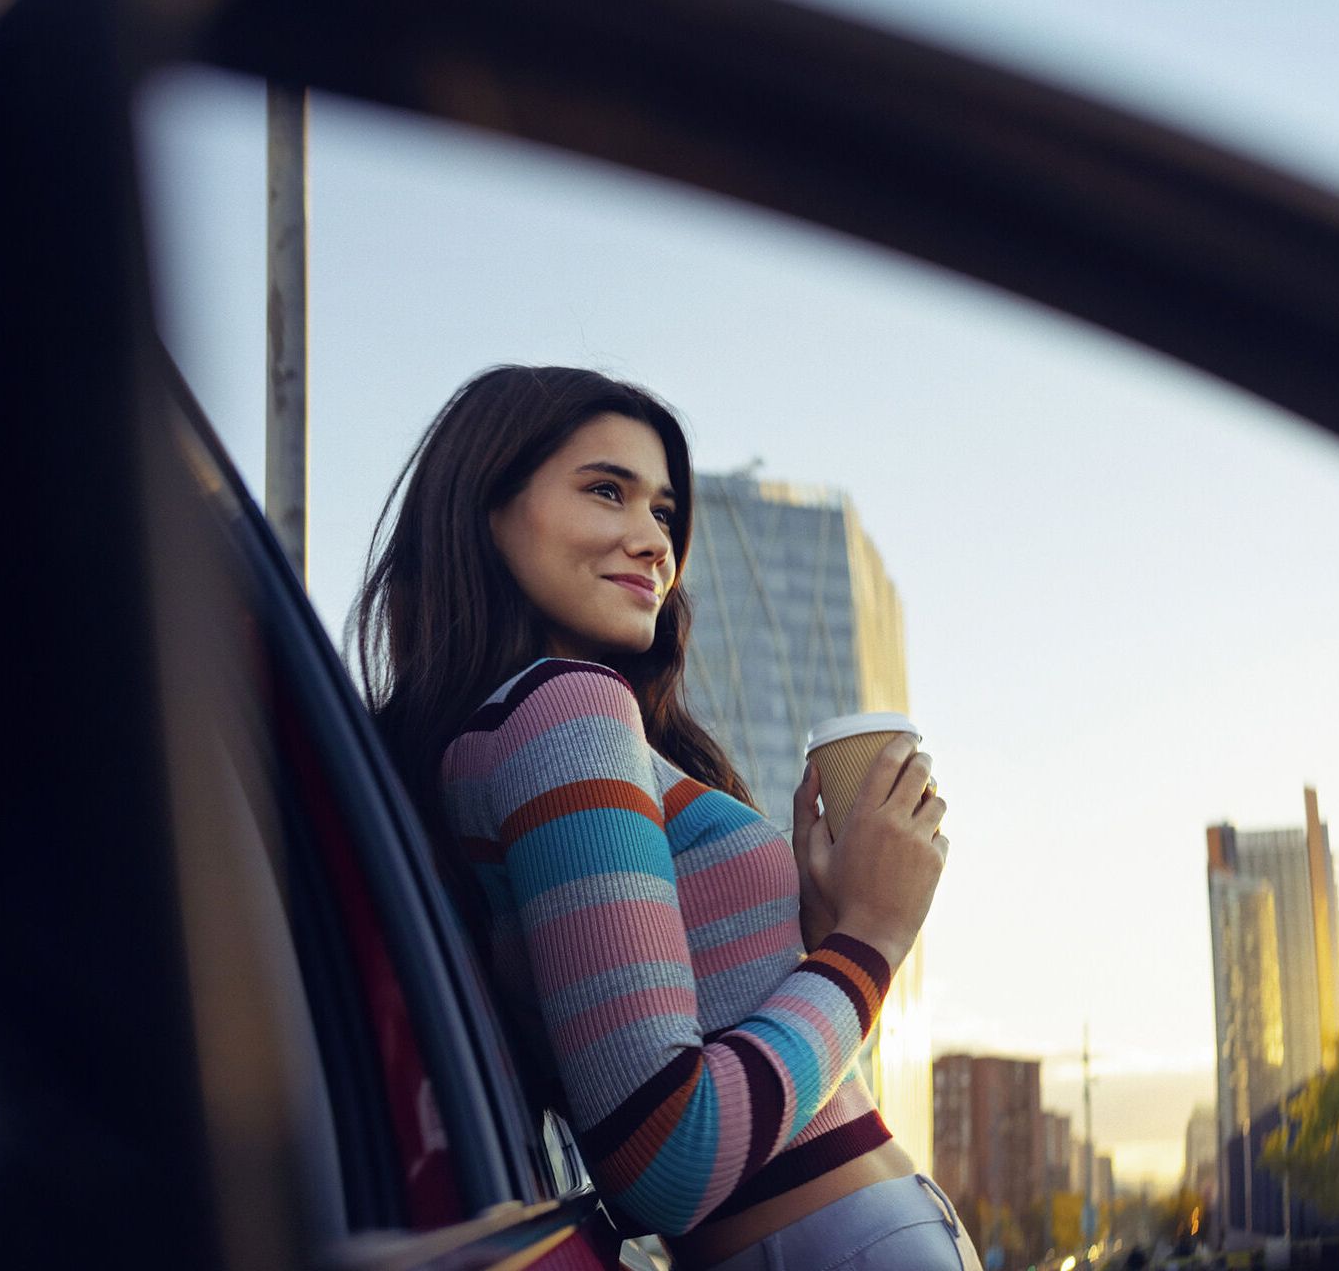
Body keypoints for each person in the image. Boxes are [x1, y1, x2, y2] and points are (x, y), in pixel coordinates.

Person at [353, 365, 977, 1270]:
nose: (653, 541)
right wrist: (873, 937)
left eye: (664, 513)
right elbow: (666, 1158)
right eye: (608, 491)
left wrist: (808, 929)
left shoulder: (493, 739)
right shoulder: (566, 710)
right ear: (486, 507)